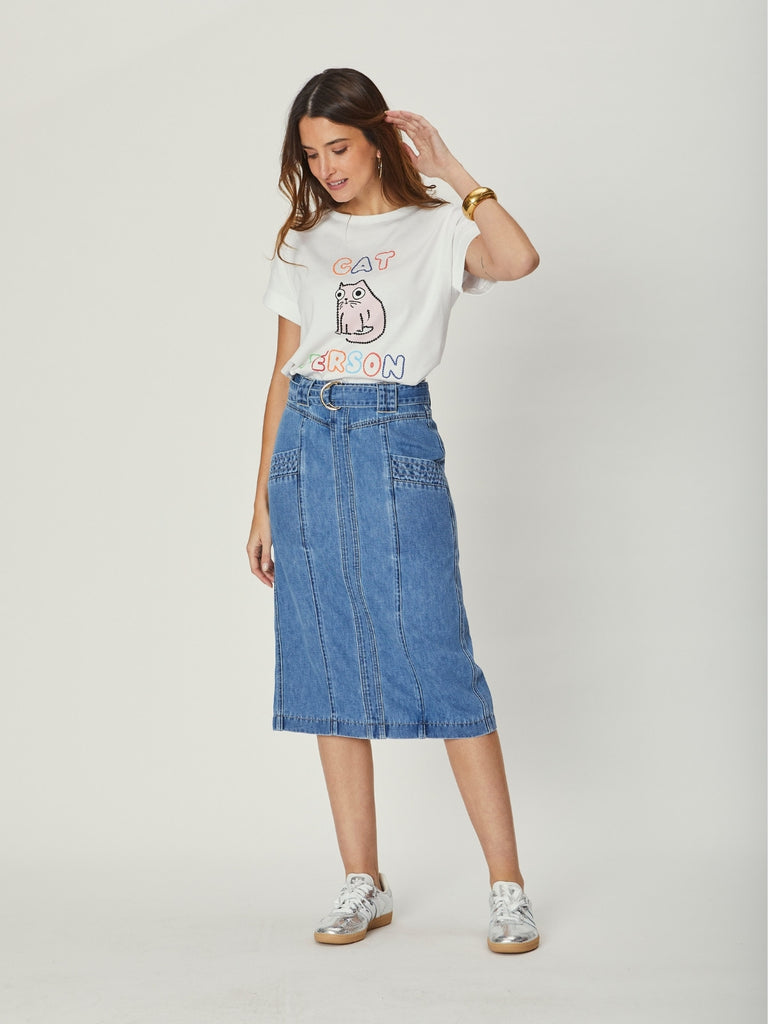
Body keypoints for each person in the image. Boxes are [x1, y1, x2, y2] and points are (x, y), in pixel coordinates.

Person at [246, 68, 541, 953]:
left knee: (442, 660)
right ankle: (361, 883)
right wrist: (261, 498)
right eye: (312, 154)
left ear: (377, 138)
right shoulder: (304, 239)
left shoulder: (438, 228)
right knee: (327, 665)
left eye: (339, 147)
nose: (328, 168)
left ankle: (508, 886)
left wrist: (453, 167)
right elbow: (282, 370)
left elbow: (518, 259)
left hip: (394, 442)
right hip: (308, 444)